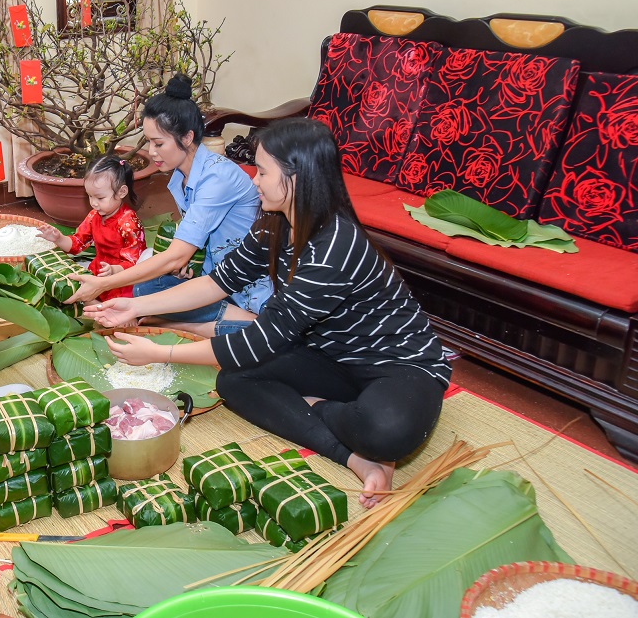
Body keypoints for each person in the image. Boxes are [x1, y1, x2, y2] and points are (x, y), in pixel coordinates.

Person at [85, 118, 449, 509]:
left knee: (386, 432)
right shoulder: (274, 223)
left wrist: (160, 353)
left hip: (397, 366)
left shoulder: (335, 246)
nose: (253, 180)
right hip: (329, 360)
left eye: (262, 171)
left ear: (296, 178)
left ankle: (318, 408)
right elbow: (217, 283)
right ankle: (353, 457)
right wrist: (134, 306)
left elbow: (261, 339)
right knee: (234, 383)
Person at [65, 74, 271, 337]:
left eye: (158, 143)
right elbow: (188, 249)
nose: (151, 151)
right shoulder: (180, 177)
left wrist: (102, 283)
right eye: (149, 142)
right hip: (212, 276)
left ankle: (193, 325)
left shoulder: (217, 177)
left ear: (187, 137)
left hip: (246, 287)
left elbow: (176, 255)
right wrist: (185, 265)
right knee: (145, 285)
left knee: (148, 283)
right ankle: (181, 322)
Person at [37, 155, 146, 301]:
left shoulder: (128, 222)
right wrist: (58, 238)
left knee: (112, 307)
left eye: (100, 198)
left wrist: (114, 270)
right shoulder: (94, 215)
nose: (94, 203)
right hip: (98, 271)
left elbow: (137, 262)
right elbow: (77, 244)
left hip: (122, 279)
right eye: (89, 196)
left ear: (121, 192)